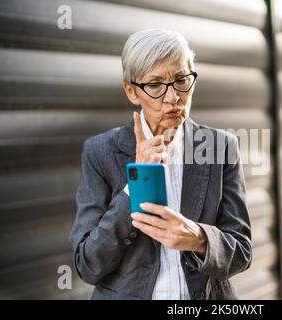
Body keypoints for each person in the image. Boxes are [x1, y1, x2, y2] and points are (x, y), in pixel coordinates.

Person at [69, 29, 252, 300]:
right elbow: (88, 265)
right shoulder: (99, 152)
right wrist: (136, 184)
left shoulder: (219, 147)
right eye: (155, 85)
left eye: (181, 80)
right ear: (131, 91)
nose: (173, 97)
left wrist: (199, 239)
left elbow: (242, 252)